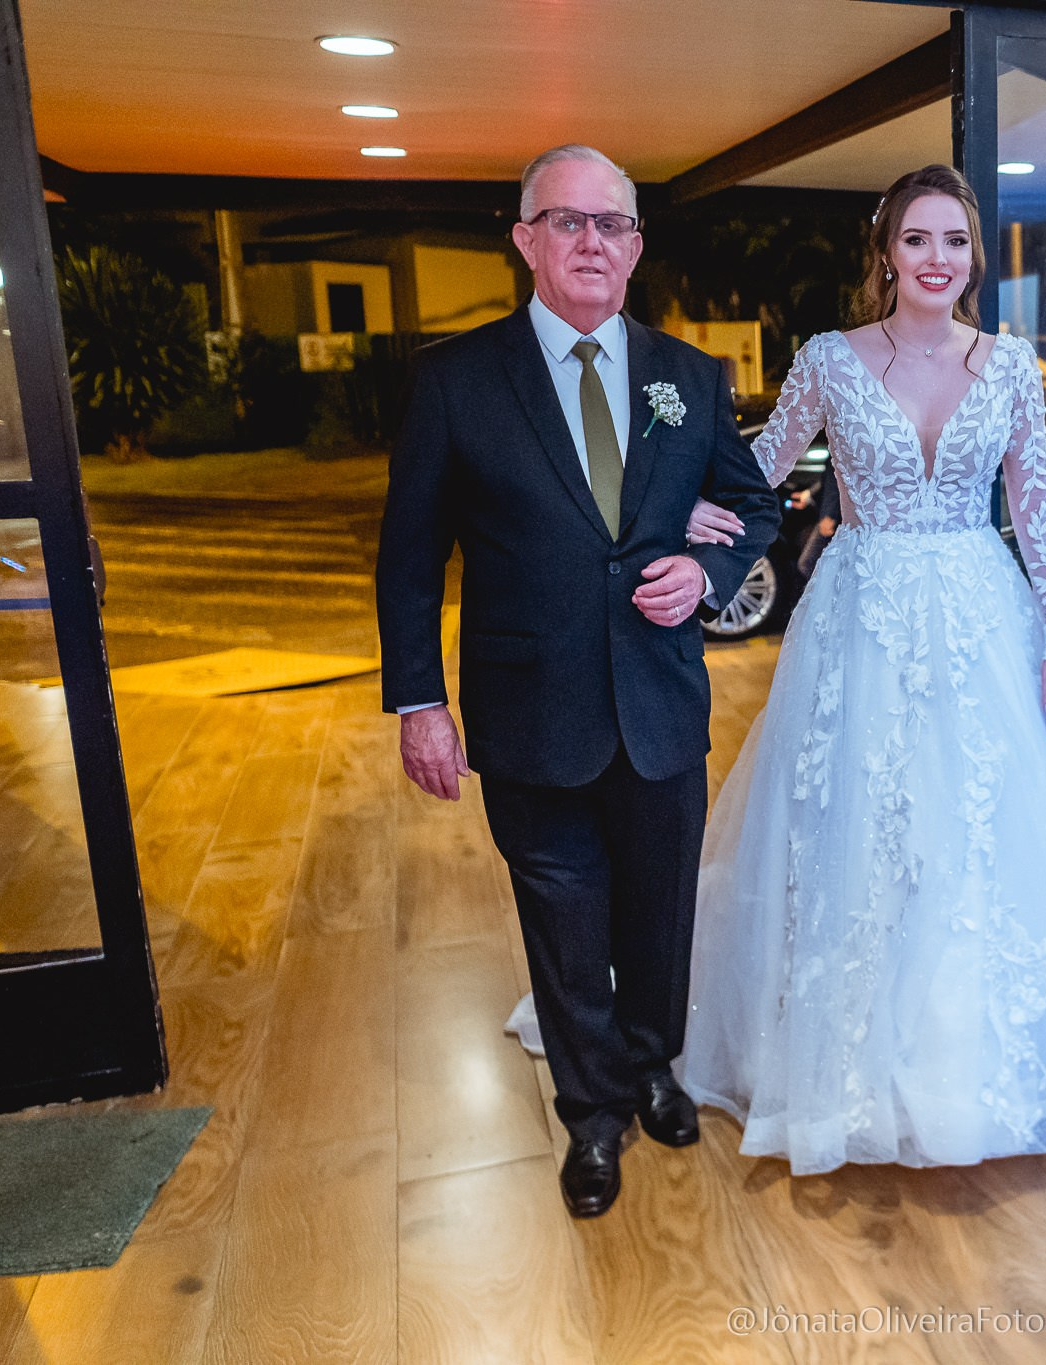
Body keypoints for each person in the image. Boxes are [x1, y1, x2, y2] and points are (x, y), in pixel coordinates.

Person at [677, 165, 1046, 1176]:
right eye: (916, 240)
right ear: (885, 253)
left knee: (976, 831)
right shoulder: (829, 359)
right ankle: (839, 1068)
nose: (935, 260)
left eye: (954, 242)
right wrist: (686, 507)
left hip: (975, 614)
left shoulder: (1003, 367)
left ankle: (973, 1070)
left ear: (971, 258)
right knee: (855, 827)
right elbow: (763, 464)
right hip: (858, 616)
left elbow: (1033, 503)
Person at [375, 145, 780, 1218]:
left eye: (611, 224)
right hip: (527, 710)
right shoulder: (454, 380)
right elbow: (410, 557)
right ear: (525, 241)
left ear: (637, 246)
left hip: (657, 705)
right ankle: (591, 1119)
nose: (591, 241)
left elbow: (754, 509)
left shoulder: (689, 379)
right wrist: (420, 703)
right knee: (562, 921)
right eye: (567, 222)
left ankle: (654, 1066)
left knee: (658, 914)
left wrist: (708, 568)